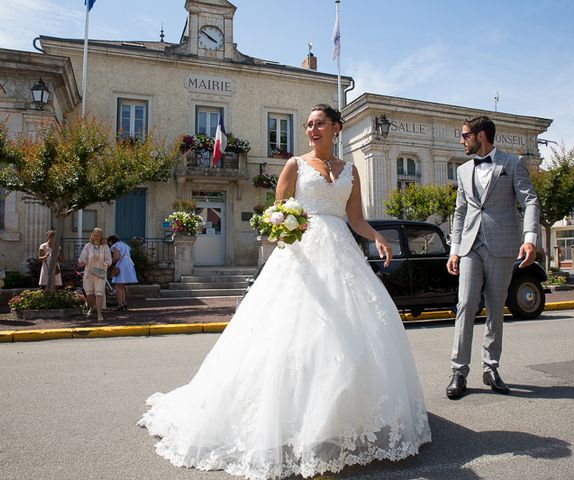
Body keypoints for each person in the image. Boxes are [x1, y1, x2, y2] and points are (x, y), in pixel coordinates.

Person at [138, 104, 431, 479]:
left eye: (319, 124)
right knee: (292, 335)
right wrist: (286, 225)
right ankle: (289, 423)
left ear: (336, 129)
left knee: (347, 336)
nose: (312, 130)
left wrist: (377, 238)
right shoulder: (294, 164)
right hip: (301, 256)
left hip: (341, 251)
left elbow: (355, 218)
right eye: (308, 125)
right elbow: (275, 213)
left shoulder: (350, 171)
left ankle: (339, 420)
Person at [445, 115, 540, 399]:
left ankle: (491, 368)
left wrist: (530, 239)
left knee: (496, 307)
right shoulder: (463, 171)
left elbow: (530, 201)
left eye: (465, 136)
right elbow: (460, 211)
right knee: (465, 303)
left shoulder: (512, 164)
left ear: (481, 136)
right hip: (471, 246)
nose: (462, 140)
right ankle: (459, 372)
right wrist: (454, 249)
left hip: (501, 245)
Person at [78, 228, 111, 322]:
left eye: (98, 235)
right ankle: (92, 308)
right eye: (94, 235)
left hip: (100, 271)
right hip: (89, 271)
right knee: (89, 292)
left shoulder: (105, 247)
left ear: (101, 236)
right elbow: (83, 257)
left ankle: (99, 313)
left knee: (99, 292)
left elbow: (109, 259)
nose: (95, 237)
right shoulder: (88, 246)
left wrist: (107, 263)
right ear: (92, 235)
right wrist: (81, 262)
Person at [107, 235, 137, 311]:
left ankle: (120, 304)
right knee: (121, 286)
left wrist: (109, 262)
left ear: (111, 241)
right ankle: (124, 303)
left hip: (121, 266)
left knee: (117, 285)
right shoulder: (124, 245)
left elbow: (117, 257)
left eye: (109, 242)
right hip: (128, 264)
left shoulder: (115, 245)